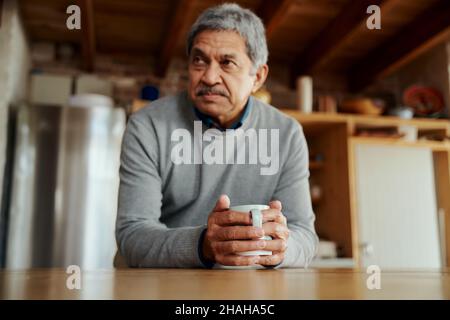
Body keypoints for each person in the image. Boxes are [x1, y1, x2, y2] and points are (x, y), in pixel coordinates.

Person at [116, 3, 318, 268]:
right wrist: (202, 245)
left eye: (227, 63)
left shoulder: (287, 134)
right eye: (199, 60)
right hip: (163, 284)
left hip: (249, 288)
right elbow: (132, 235)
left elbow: (304, 235)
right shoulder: (147, 126)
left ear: (257, 77)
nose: (209, 77)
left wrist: (281, 249)